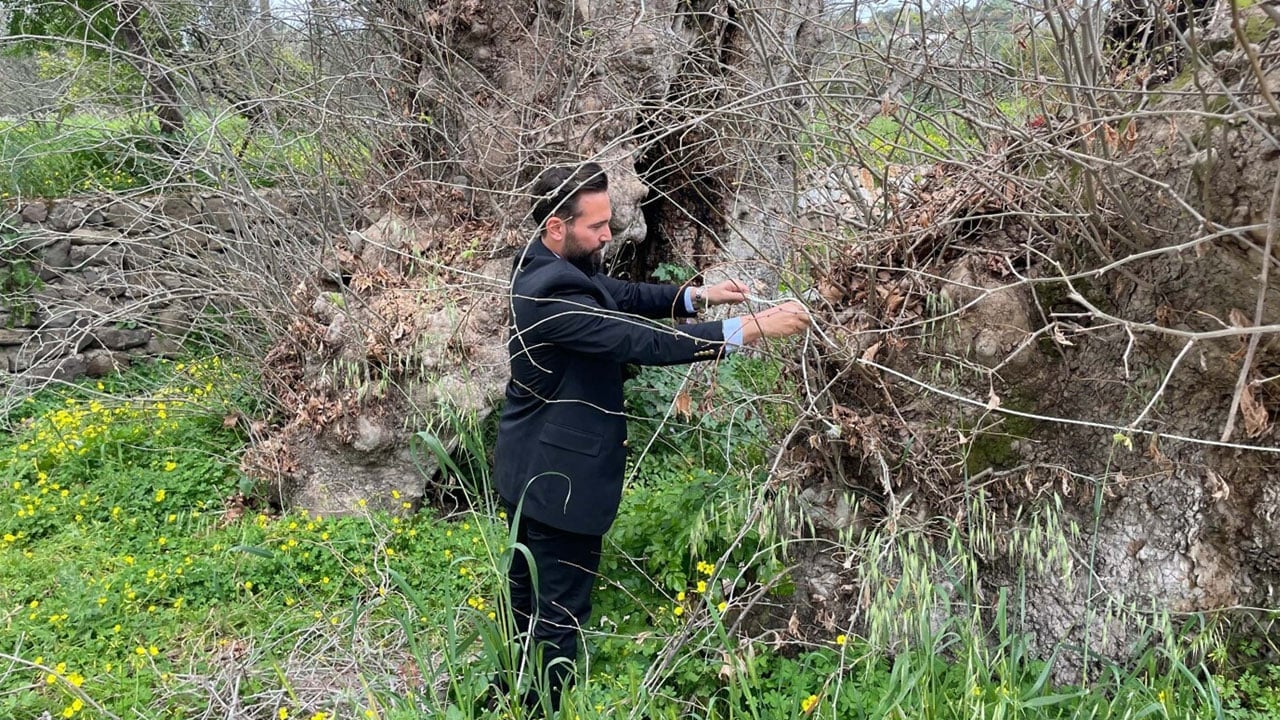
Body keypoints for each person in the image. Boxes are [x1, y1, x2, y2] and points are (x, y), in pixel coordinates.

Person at [490, 161, 811, 714]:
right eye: (596, 226)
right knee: (558, 616)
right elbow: (637, 340)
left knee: (524, 603)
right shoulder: (550, 294)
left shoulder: (546, 267)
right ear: (556, 227)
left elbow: (618, 294)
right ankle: (539, 706)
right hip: (556, 484)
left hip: (529, 468)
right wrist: (753, 328)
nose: (608, 234)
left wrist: (697, 297)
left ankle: (504, 697)